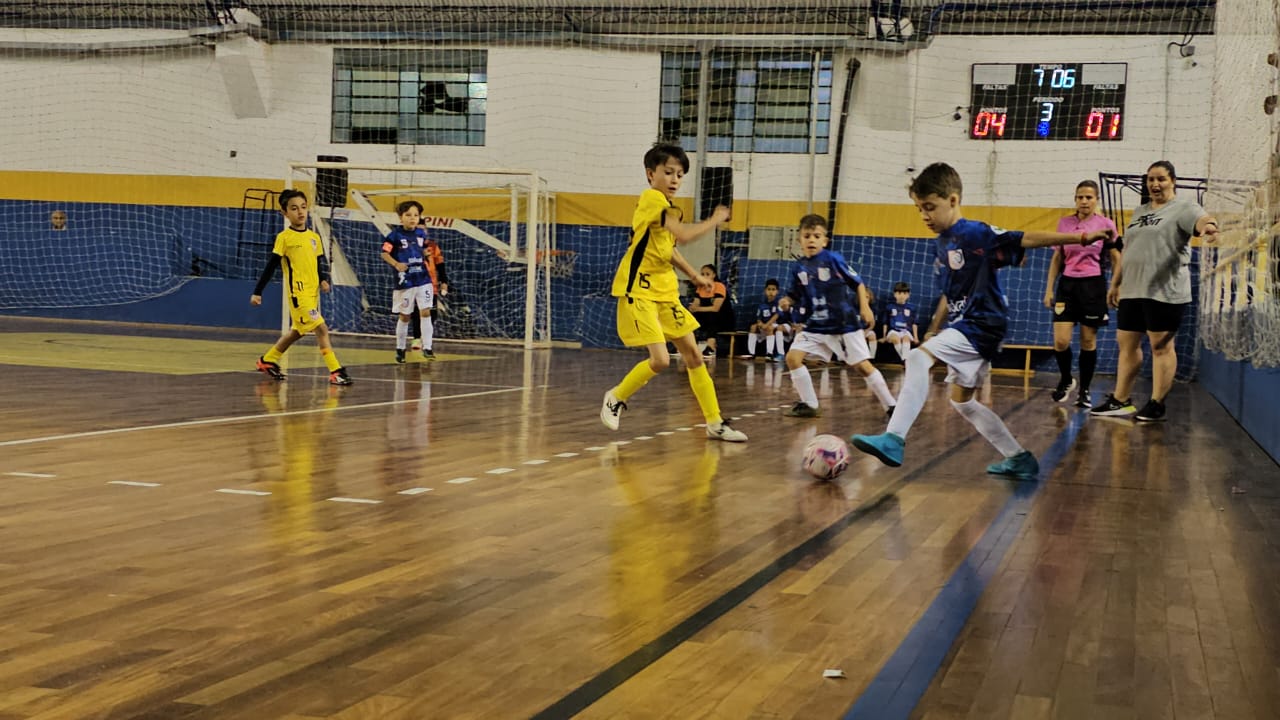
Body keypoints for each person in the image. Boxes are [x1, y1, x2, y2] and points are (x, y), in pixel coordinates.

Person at [851, 162, 1113, 480]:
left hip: (983, 322)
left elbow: (1025, 239)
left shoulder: (973, 231)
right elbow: (954, 292)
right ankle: (1019, 457)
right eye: (920, 209)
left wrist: (1082, 238)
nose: (924, 216)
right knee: (963, 402)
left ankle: (894, 439)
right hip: (969, 324)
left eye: (930, 207)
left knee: (917, 359)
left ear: (953, 199)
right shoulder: (942, 243)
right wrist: (935, 328)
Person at [600, 142, 746, 442]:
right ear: (650, 174)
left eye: (680, 174)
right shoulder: (653, 200)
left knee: (694, 354)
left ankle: (715, 423)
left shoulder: (666, 209)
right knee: (661, 360)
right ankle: (615, 397)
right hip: (639, 290)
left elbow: (670, 249)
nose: (675, 179)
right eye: (668, 172)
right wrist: (717, 218)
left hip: (665, 291)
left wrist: (694, 276)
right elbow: (685, 235)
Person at [1090, 160, 1218, 421]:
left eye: (1160, 179)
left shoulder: (1184, 208)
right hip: (1132, 290)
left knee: (1160, 347)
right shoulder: (1139, 212)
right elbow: (1128, 250)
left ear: (1173, 181)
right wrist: (1116, 283)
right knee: (1126, 345)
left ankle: (1157, 404)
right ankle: (1120, 400)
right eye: (1150, 179)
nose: (1155, 184)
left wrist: (1210, 228)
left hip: (1165, 291)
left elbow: (1202, 219)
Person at [777, 214, 897, 419]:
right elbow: (796, 294)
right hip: (817, 324)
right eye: (807, 236)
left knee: (862, 366)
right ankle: (810, 404)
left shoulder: (833, 259)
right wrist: (788, 300)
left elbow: (857, 283)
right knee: (792, 358)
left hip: (844, 324)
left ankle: (892, 406)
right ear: (799, 239)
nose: (811, 240)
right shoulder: (798, 267)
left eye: (816, 235)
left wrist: (865, 307)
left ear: (825, 240)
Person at [250, 188, 352, 385]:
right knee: (321, 329)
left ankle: (267, 360)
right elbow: (271, 266)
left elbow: (318, 261)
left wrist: (323, 279)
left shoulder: (313, 237)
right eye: (294, 208)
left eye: (303, 207)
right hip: (298, 295)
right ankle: (335, 371)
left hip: (312, 294)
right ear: (285, 213)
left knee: (297, 332)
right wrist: (257, 291)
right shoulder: (284, 238)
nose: (300, 212)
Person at [1042, 180, 1122, 408]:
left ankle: (1085, 390)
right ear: (1075, 199)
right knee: (1060, 340)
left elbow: (1116, 257)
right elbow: (1057, 257)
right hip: (1067, 286)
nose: (1084, 201)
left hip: (1093, 287)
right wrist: (1049, 288)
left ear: (1097, 199)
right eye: (1080, 197)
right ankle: (1067, 379)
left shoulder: (1106, 224)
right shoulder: (1065, 223)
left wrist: (1116, 286)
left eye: (1088, 197)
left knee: (1088, 340)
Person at [381, 200, 446, 363]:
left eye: (416, 215)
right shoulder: (394, 235)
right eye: (408, 215)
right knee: (405, 316)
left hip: (423, 278)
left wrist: (425, 254)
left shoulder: (421, 234)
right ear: (400, 217)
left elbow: (421, 249)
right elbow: (384, 253)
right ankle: (400, 348)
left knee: (426, 312)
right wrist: (396, 264)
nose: (412, 218)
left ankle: (428, 347)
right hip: (405, 281)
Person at [409, 217, 449, 354]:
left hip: (431, 285)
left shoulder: (432, 246)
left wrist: (444, 281)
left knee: (432, 313)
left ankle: (426, 338)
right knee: (416, 312)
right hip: (414, 283)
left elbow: (440, 265)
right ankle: (416, 338)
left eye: (423, 229)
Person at [688, 264, 734, 358]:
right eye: (702, 274)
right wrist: (692, 308)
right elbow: (695, 305)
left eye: (707, 274)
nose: (704, 276)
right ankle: (690, 347)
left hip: (724, 319)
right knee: (690, 317)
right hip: (707, 317)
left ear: (714, 275)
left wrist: (697, 309)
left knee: (712, 316)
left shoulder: (719, 286)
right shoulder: (700, 288)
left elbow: (715, 308)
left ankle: (711, 347)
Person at [742, 278, 782, 360]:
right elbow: (759, 318)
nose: (771, 292)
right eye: (769, 289)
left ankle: (769, 353)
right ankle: (751, 353)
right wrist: (760, 324)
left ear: (777, 291)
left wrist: (766, 325)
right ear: (765, 291)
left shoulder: (779, 303)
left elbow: (776, 316)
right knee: (753, 327)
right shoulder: (762, 305)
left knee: (770, 328)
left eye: (773, 289)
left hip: (775, 325)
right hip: (764, 325)